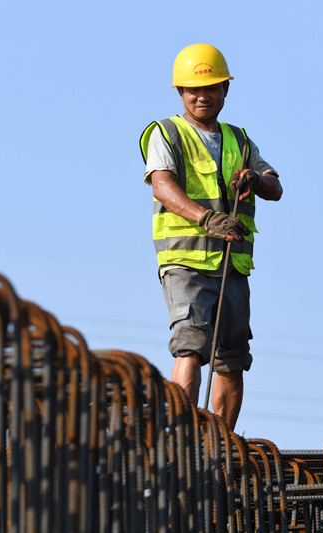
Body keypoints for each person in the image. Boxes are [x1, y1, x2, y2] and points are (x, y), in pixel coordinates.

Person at [139, 43, 283, 431]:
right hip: (185, 263)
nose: (202, 96)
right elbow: (162, 186)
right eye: (192, 90)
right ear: (181, 94)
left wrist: (256, 179)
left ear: (225, 91)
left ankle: (220, 445)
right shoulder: (166, 133)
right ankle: (181, 440)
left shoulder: (239, 139)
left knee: (233, 360)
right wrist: (206, 219)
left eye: (211, 88)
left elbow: (276, 187)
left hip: (232, 265)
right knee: (191, 346)